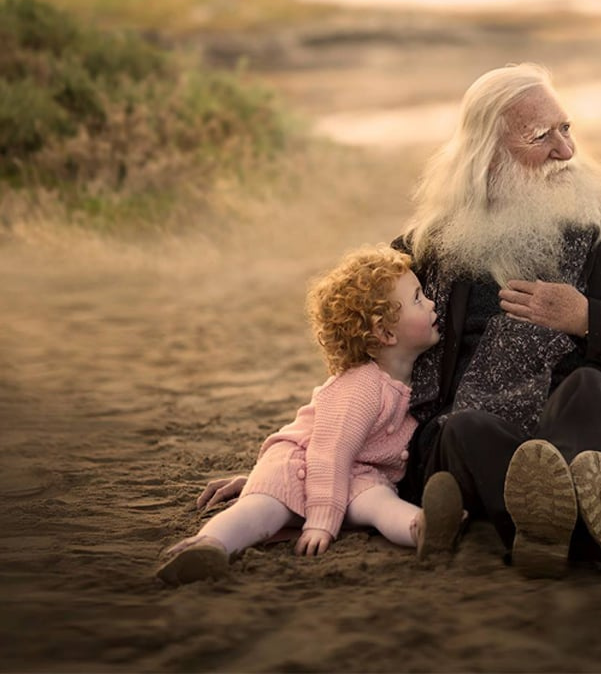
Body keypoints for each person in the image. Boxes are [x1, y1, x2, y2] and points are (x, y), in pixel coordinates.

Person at [200, 63, 601, 578]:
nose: (565, 151)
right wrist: (290, 467)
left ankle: (556, 528)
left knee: (587, 388)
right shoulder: (430, 248)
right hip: (478, 439)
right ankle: (592, 529)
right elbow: (361, 373)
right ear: (487, 156)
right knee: (463, 428)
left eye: (566, 128)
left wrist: (587, 318)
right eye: (541, 137)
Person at [158, 247, 464, 585]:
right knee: (262, 509)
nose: (433, 303)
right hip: (300, 464)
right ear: (386, 333)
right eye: (419, 298)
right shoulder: (360, 386)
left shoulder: (412, 381)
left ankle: (424, 527)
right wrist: (322, 520)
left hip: (357, 474)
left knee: (379, 503)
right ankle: (210, 545)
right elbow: (328, 453)